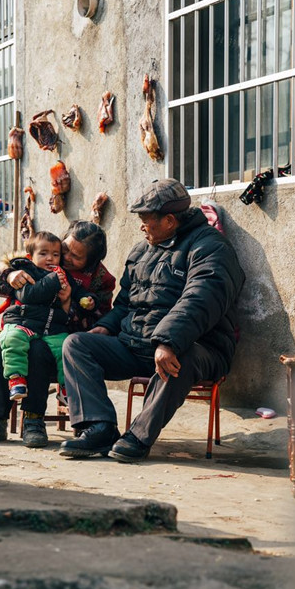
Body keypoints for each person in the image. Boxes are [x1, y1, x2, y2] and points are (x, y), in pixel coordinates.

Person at [58, 178, 244, 461]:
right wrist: (105, 327)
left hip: (198, 347)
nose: (141, 226)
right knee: (77, 345)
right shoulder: (141, 251)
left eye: (147, 220)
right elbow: (124, 303)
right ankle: (98, 428)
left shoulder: (210, 248)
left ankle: (139, 436)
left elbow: (201, 298)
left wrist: (168, 341)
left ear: (169, 220)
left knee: (182, 355)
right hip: (137, 346)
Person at [0, 220, 115, 448]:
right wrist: (9, 276)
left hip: (61, 335)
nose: (65, 258)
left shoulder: (99, 280)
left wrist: (68, 305)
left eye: (76, 257)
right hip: (23, 326)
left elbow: (98, 316)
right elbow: (0, 282)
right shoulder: (45, 258)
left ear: (91, 262)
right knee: (0, 347)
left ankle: (33, 421)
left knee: (39, 351)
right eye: (65, 249)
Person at [0, 231, 97, 402]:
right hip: (22, 323)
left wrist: (87, 300)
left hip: (51, 328)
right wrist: (54, 280)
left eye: (55, 255)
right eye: (43, 254)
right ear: (30, 256)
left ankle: (66, 389)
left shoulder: (63, 275)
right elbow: (28, 295)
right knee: (11, 340)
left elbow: (79, 291)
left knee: (65, 349)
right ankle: (16, 379)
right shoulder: (25, 272)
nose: (50, 258)